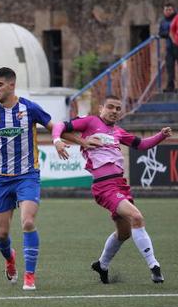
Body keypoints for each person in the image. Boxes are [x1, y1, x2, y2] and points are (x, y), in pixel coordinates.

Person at [0, 67, 73, 291]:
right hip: (0, 179)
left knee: (28, 222)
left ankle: (30, 276)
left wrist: (61, 140)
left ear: (11, 85)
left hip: (27, 175)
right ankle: (10, 259)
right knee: (1, 235)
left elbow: (54, 127)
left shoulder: (29, 108)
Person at [52, 95, 171, 284]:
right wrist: (57, 140)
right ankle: (154, 266)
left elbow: (141, 145)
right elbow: (60, 126)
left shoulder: (118, 132)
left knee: (124, 232)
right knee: (137, 217)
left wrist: (161, 136)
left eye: (118, 108)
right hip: (104, 186)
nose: (114, 111)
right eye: (111, 107)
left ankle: (102, 264)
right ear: (101, 108)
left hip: (120, 185)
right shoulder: (91, 122)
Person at [158, 3, 177, 92]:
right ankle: (170, 86)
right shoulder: (163, 21)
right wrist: (168, 34)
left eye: (170, 9)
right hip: (169, 47)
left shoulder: (177, 19)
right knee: (170, 68)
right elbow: (161, 33)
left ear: (173, 10)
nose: (168, 11)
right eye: (166, 10)